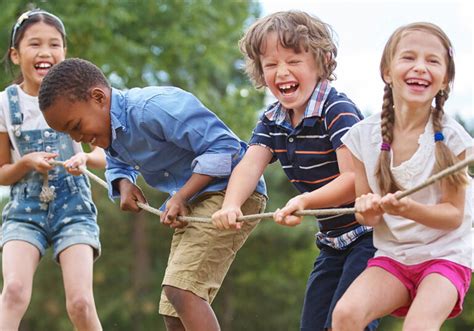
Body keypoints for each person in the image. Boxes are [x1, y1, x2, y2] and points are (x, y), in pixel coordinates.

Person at [37, 57, 267, 331]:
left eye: (76, 126)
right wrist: (123, 184)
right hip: (196, 201)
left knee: (182, 291)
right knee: (173, 310)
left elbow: (225, 148)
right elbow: (117, 160)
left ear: (98, 98)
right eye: (68, 134)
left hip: (231, 193)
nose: (76, 139)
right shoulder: (111, 129)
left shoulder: (154, 108)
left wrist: (181, 196)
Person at [212, 11, 378, 331]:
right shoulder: (273, 119)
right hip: (332, 242)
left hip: (371, 237)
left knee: (348, 322)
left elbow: (355, 179)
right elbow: (250, 164)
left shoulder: (336, 110)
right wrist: (230, 204)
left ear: (322, 60)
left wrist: (304, 202)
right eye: (271, 65)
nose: (282, 72)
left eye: (293, 61)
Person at [332, 22, 473, 331]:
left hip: (445, 255)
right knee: (345, 314)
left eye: (433, 61)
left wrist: (408, 209)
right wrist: (366, 210)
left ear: (445, 78)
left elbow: (453, 216)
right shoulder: (362, 137)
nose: (420, 67)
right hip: (395, 255)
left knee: (418, 326)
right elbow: (366, 216)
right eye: (409, 57)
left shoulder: (454, 139)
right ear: (387, 71)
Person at [0, 9, 105, 330]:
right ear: (16, 55)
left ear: (64, 52)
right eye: (35, 44)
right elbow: (2, 172)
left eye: (54, 44)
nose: (45, 52)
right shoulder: (5, 104)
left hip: (73, 206)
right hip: (24, 207)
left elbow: (104, 154)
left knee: (81, 303)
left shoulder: (81, 95)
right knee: (13, 291)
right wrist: (26, 162)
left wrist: (84, 159)